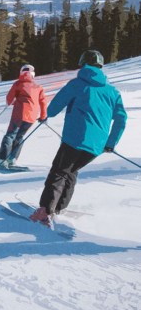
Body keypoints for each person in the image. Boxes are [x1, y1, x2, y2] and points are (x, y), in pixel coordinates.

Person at [30, 49, 127, 228]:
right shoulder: (112, 91)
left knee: (59, 172)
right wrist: (110, 143)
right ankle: (59, 207)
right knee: (71, 172)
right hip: (96, 146)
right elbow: (121, 118)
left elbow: (53, 108)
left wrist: (46, 115)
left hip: (74, 139)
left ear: (83, 64)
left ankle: (45, 211)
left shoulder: (77, 84)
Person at [0, 64, 47, 168]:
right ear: (33, 74)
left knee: (10, 135)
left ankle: (2, 159)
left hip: (19, 113)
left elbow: (9, 98)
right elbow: (43, 102)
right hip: (32, 116)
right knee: (20, 136)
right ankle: (12, 159)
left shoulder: (18, 84)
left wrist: (12, 102)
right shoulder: (38, 87)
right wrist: (43, 116)